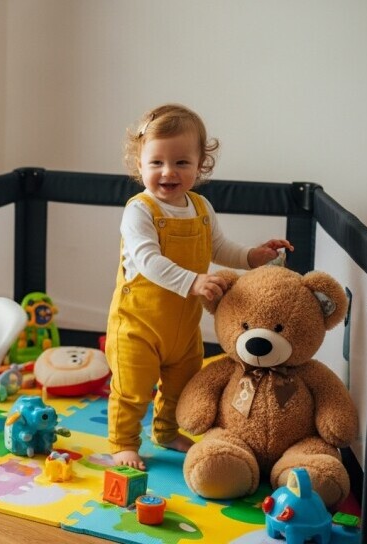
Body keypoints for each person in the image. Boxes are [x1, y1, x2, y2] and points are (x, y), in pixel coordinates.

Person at [105, 104, 293, 470]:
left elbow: (219, 249)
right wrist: (193, 281)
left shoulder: (201, 207)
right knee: (133, 389)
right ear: (139, 164)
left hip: (182, 325)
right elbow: (148, 260)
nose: (168, 172)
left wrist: (255, 255)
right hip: (137, 324)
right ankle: (124, 443)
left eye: (181, 162)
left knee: (183, 382)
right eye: (156, 162)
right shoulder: (139, 210)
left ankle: (166, 430)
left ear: (200, 164)